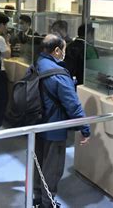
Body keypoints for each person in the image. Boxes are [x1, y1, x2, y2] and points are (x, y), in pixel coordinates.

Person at [34, 34, 91, 208]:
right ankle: (47, 204)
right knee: (53, 168)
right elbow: (72, 104)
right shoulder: (58, 73)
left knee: (39, 163)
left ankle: (37, 197)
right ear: (57, 50)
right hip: (55, 127)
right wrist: (85, 128)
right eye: (64, 49)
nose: (65, 53)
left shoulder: (38, 64)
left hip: (38, 123)